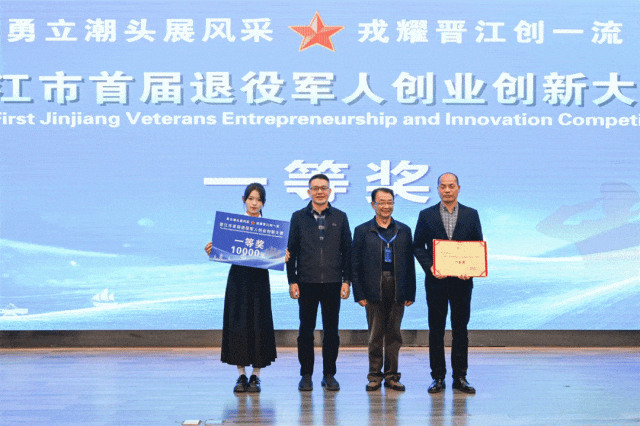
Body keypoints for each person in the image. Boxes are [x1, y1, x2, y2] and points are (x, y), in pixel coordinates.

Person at [413, 173, 483, 394]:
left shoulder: (471, 214)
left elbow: (477, 246)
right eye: (443, 186)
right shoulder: (426, 215)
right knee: (436, 330)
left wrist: (470, 269)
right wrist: (430, 267)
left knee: (460, 330)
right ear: (438, 189)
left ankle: (460, 377)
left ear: (458, 188)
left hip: (462, 283)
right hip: (436, 282)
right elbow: (417, 246)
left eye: (451, 186)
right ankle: (438, 377)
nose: (447, 190)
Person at [204, 183, 277, 394]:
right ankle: (241, 374)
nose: (254, 203)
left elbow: (275, 255)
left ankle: (256, 375)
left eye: (259, 200)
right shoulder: (232, 226)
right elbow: (223, 250)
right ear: (243, 200)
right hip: (238, 278)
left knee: (259, 322)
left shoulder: (270, 229)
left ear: (263, 203)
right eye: (251, 199)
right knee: (238, 322)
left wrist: (283, 255)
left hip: (259, 279)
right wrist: (213, 249)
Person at [286, 173, 352, 392]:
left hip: (333, 282)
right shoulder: (298, 217)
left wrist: (346, 280)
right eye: (315, 188)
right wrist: (292, 280)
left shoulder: (340, 217)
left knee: (331, 331)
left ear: (330, 191)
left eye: (324, 188)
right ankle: (306, 375)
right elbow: (291, 252)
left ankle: (329, 374)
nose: (320, 192)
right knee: (306, 331)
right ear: (309, 192)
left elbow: (347, 252)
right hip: (306, 282)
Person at [352, 188, 416, 392]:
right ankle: (374, 376)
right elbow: (355, 265)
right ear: (373, 205)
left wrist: (410, 292)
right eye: (381, 202)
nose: (386, 206)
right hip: (373, 289)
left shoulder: (404, 230)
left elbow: (410, 264)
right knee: (375, 336)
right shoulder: (362, 230)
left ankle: (392, 376)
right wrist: (359, 293)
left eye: (390, 202)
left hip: (398, 288)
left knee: (394, 336)